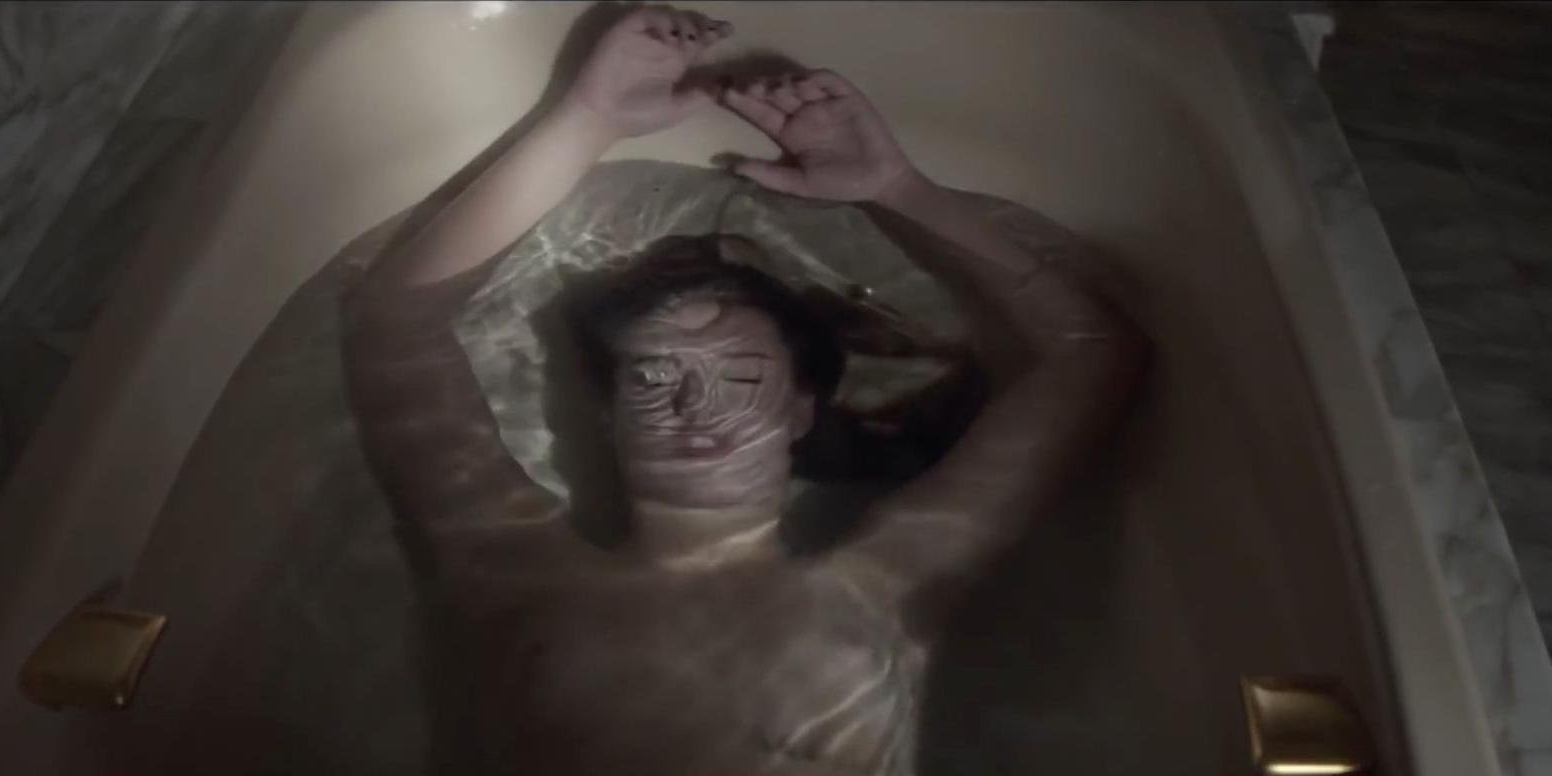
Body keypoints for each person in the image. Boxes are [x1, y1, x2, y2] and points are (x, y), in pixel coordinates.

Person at [343, 6, 1146, 775]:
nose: (697, 406)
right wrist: (586, 121)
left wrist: (898, 187)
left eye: (741, 375)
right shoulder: (512, 561)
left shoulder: (895, 575)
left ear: (801, 409)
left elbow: (1093, 355)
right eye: (652, 377)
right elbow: (393, 320)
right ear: (606, 415)